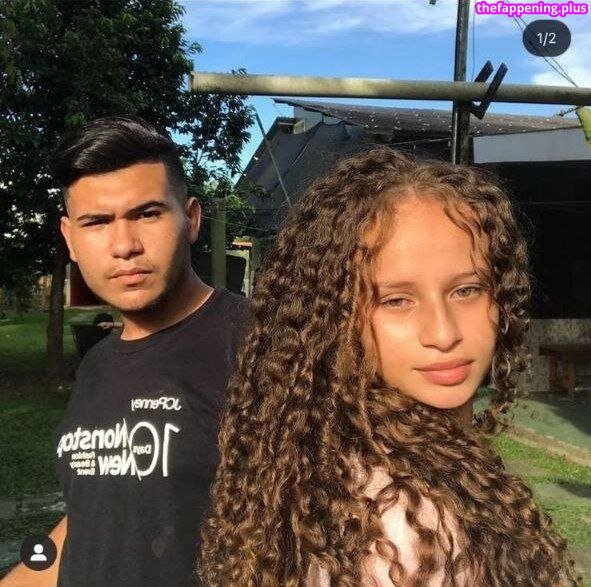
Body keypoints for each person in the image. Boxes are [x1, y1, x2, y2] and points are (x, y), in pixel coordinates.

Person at [200, 147, 577, 586]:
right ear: (334, 319)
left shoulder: (333, 470)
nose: (443, 333)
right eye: (396, 300)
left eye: (467, 290)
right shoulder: (403, 531)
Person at [1, 117, 250, 587]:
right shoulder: (97, 364)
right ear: (70, 239)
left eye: (147, 214)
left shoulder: (261, 346)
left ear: (191, 219)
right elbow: (95, 515)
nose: (125, 246)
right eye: (97, 222)